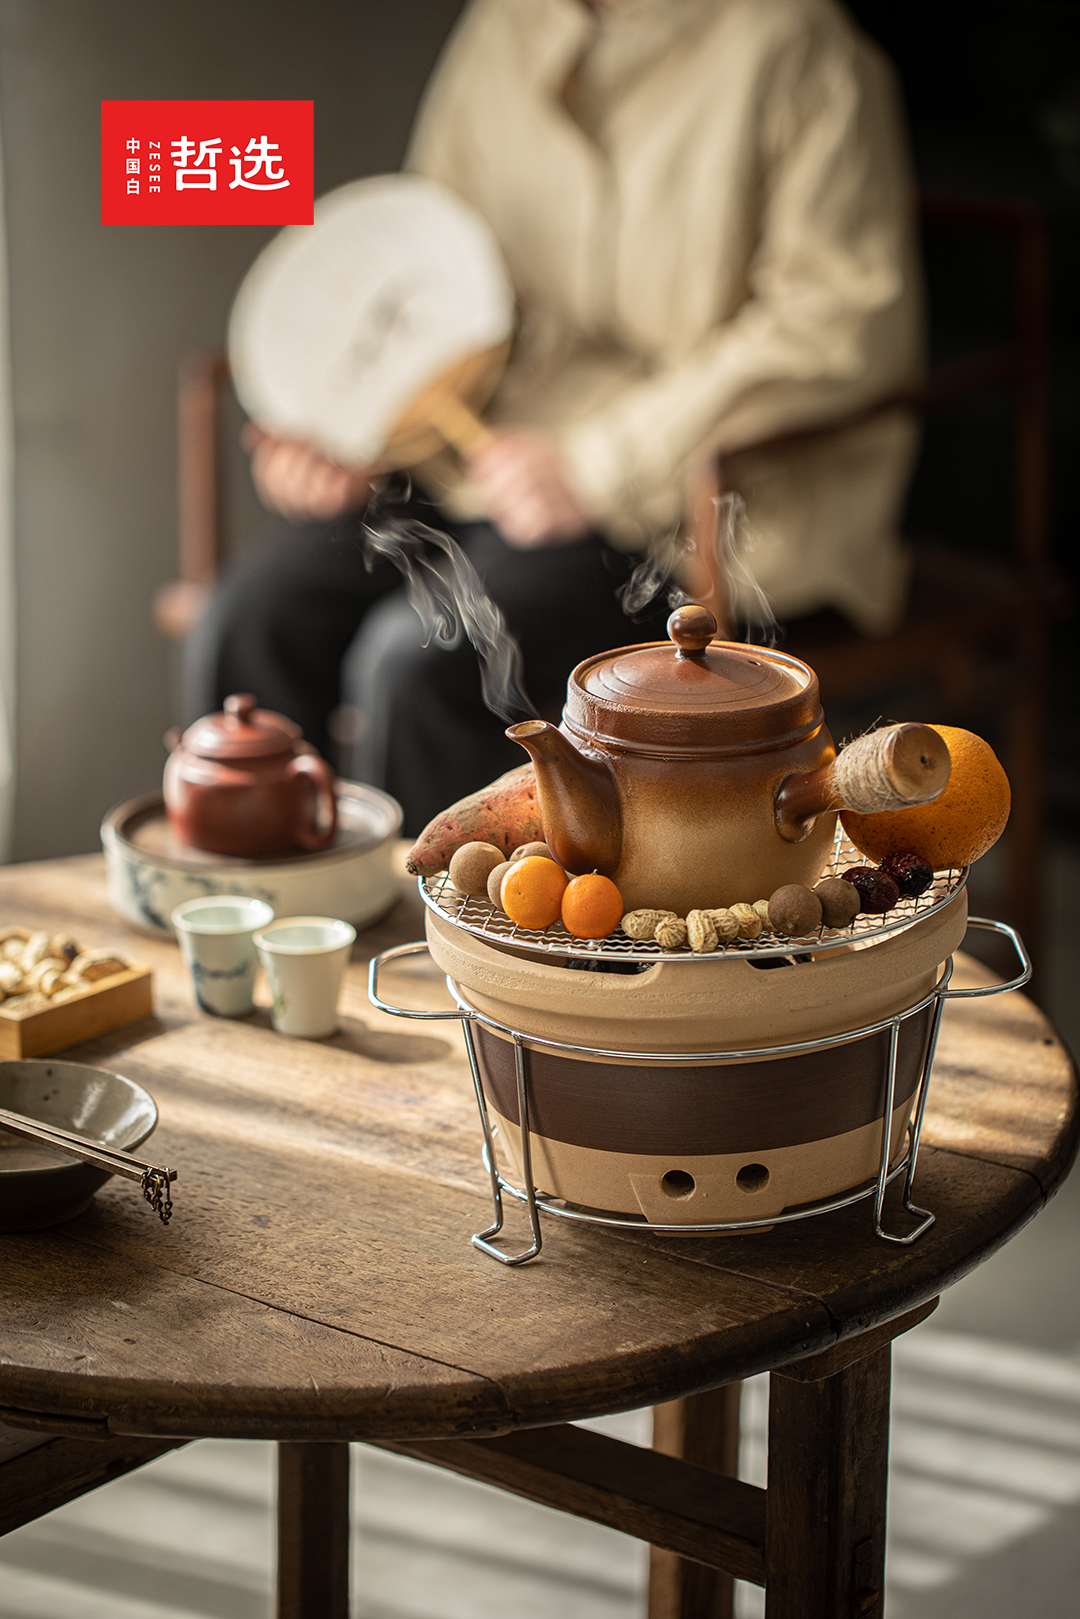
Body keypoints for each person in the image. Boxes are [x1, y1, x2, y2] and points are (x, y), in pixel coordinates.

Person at [185, 0, 921, 834]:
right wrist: (355, 428)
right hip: (484, 462)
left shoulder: (795, 44)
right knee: (253, 621)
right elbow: (435, 264)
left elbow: (839, 321)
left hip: (695, 505)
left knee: (426, 662)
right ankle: (273, 943)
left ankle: (444, 957)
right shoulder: (505, 24)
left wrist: (601, 462)